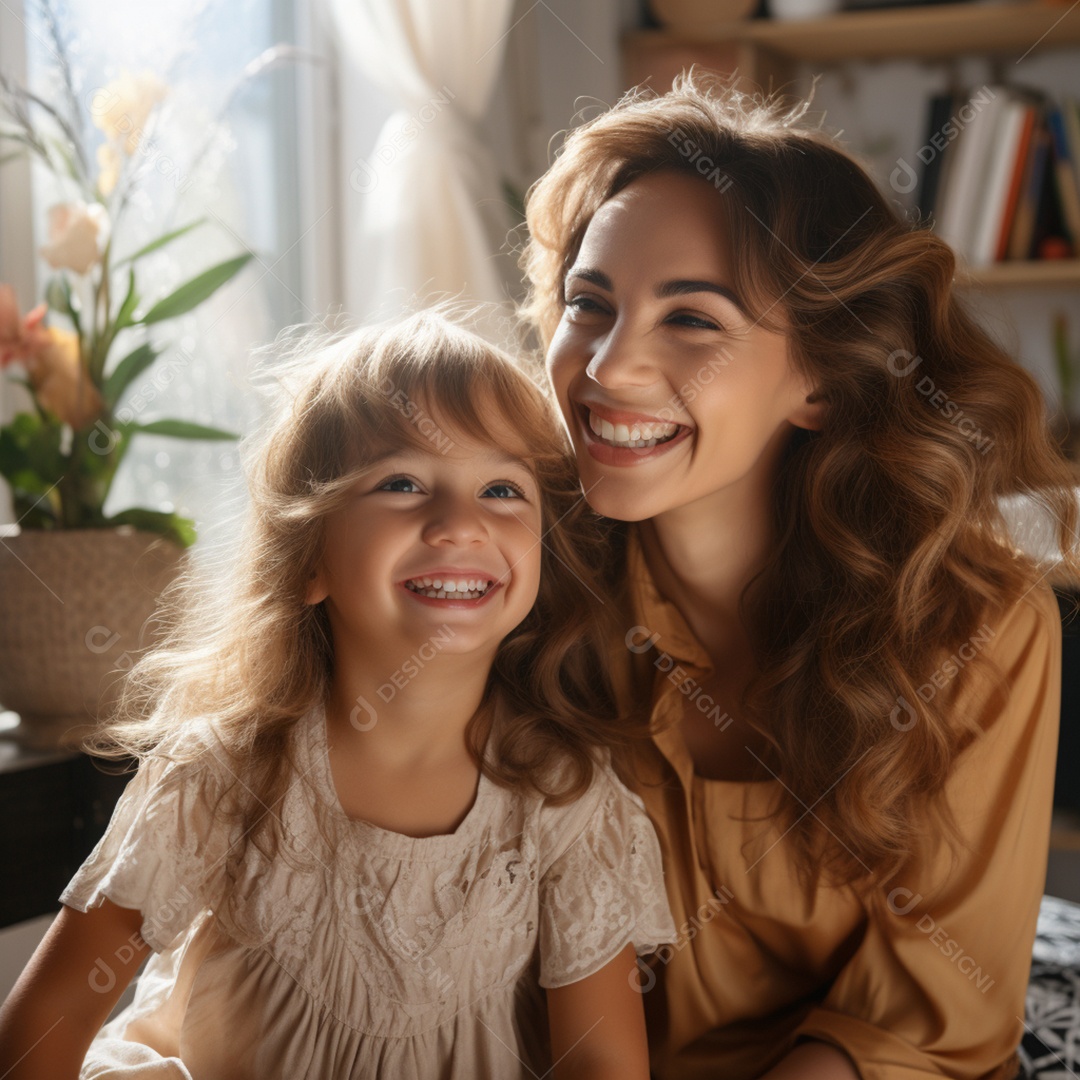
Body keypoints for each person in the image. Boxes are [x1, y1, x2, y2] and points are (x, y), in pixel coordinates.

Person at [521, 71, 1080, 1080]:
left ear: (822, 378)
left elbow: (921, 1020)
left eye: (691, 320)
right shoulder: (518, 579)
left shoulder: (980, 624)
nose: (605, 368)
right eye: (587, 304)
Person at [0, 310, 677, 1080]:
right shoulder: (222, 778)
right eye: (401, 483)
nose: (459, 523)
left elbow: (603, 1071)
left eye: (500, 488)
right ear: (309, 561)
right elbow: (38, 1033)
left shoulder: (568, 804)